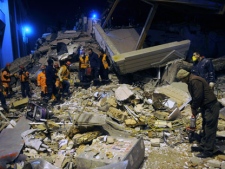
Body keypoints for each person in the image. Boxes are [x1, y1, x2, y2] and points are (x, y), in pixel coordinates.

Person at [176, 69, 220, 158]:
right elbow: (195, 97)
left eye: (182, 79)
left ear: (185, 76)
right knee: (205, 126)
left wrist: (194, 108)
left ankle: (208, 151)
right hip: (206, 106)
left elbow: (198, 96)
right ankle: (203, 146)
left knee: (209, 128)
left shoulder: (195, 81)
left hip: (211, 106)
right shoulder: (192, 81)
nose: (182, 82)